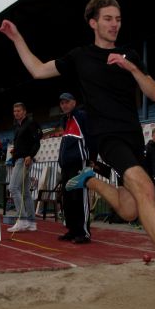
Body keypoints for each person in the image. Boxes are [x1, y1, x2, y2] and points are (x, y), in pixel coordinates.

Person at [0, 0, 155, 293]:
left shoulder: (130, 55)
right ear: (93, 22)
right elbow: (38, 70)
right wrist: (17, 39)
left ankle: (91, 181)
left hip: (133, 137)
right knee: (145, 188)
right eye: (108, 19)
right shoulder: (80, 56)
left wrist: (131, 68)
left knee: (130, 209)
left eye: (118, 19)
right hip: (106, 137)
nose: (114, 24)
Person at [57, 92, 91, 244]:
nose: (64, 105)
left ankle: (84, 232)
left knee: (79, 196)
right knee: (68, 198)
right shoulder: (64, 120)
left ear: (74, 102)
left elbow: (91, 137)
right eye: (62, 103)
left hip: (79, 163)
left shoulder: (82, 116)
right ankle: (72, 229)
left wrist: (91, 159)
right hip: (66, 165)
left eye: (67, 102)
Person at [6, 102, 43, 232]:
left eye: (19, 111)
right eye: (14, 111)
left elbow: (37, 142)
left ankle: (21, 219)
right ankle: (32, 222)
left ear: (24, 112)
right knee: (26, 192)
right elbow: (24, 143)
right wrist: (15, 152)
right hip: (19, 158)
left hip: (24, 160)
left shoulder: (31, 123)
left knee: (13, 187)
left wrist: (30, 155)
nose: (16, 113)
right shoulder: (17, 127)